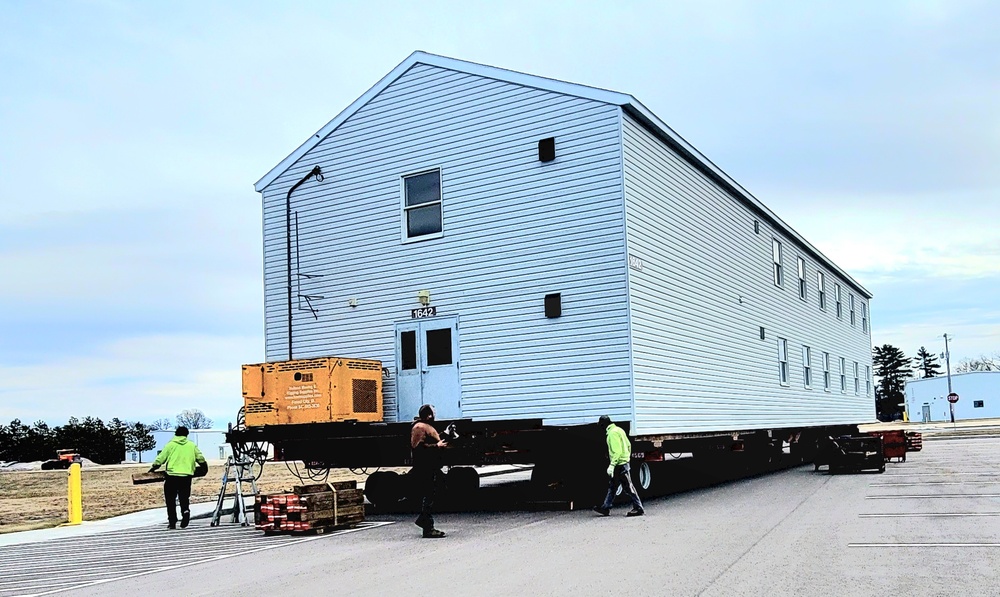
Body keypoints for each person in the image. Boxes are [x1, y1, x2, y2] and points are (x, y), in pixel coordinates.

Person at [149, 426, 207, 529]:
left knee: (170, 500)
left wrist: (154, 467)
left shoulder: (170, 445)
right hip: (186, 476)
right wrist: (204, 466)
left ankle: (172, 521)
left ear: (175, 434)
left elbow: (161, 459)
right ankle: (185, 511)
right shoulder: (191, 445)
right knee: (184, 498)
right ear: (186, 434)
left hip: (172, 476)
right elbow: (200, 458)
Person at [593, 415, 644, 517]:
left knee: (628, 487)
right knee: (613, 486)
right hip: (623, 462)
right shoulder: (619, 430)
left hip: (619, 464)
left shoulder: (612, 434)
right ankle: (606, 507)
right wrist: (627, 458)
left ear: (604, 424)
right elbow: (629, 445)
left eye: (601, 425)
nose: (600, 427)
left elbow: (617, 451)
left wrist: (612, 465)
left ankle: (638, 508)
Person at [410, 404, 447, 538]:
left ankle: (423, 521)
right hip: (424, 467)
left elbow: (430, 440)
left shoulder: (426, 427)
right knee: (428, 495)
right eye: (433, 412)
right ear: (428, 415)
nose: (435, 414)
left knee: (434, 493)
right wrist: (437, 446)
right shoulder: (419, 428)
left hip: (431, 466)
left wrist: (444, 436)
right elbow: (419, 449)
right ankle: (427, 527)